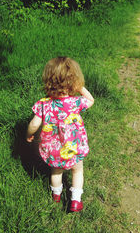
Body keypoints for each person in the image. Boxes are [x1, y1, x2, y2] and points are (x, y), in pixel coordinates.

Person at [26, 56, 94, 212]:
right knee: (77, 171)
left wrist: (28, 135)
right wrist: (80, 87)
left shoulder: (44, 104)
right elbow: (90, 100)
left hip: (54, 150)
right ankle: (75, 201)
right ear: (73, 82)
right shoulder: (75, 102)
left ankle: (56, 196)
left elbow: (34, 124)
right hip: (74, 147)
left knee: (56, 172)